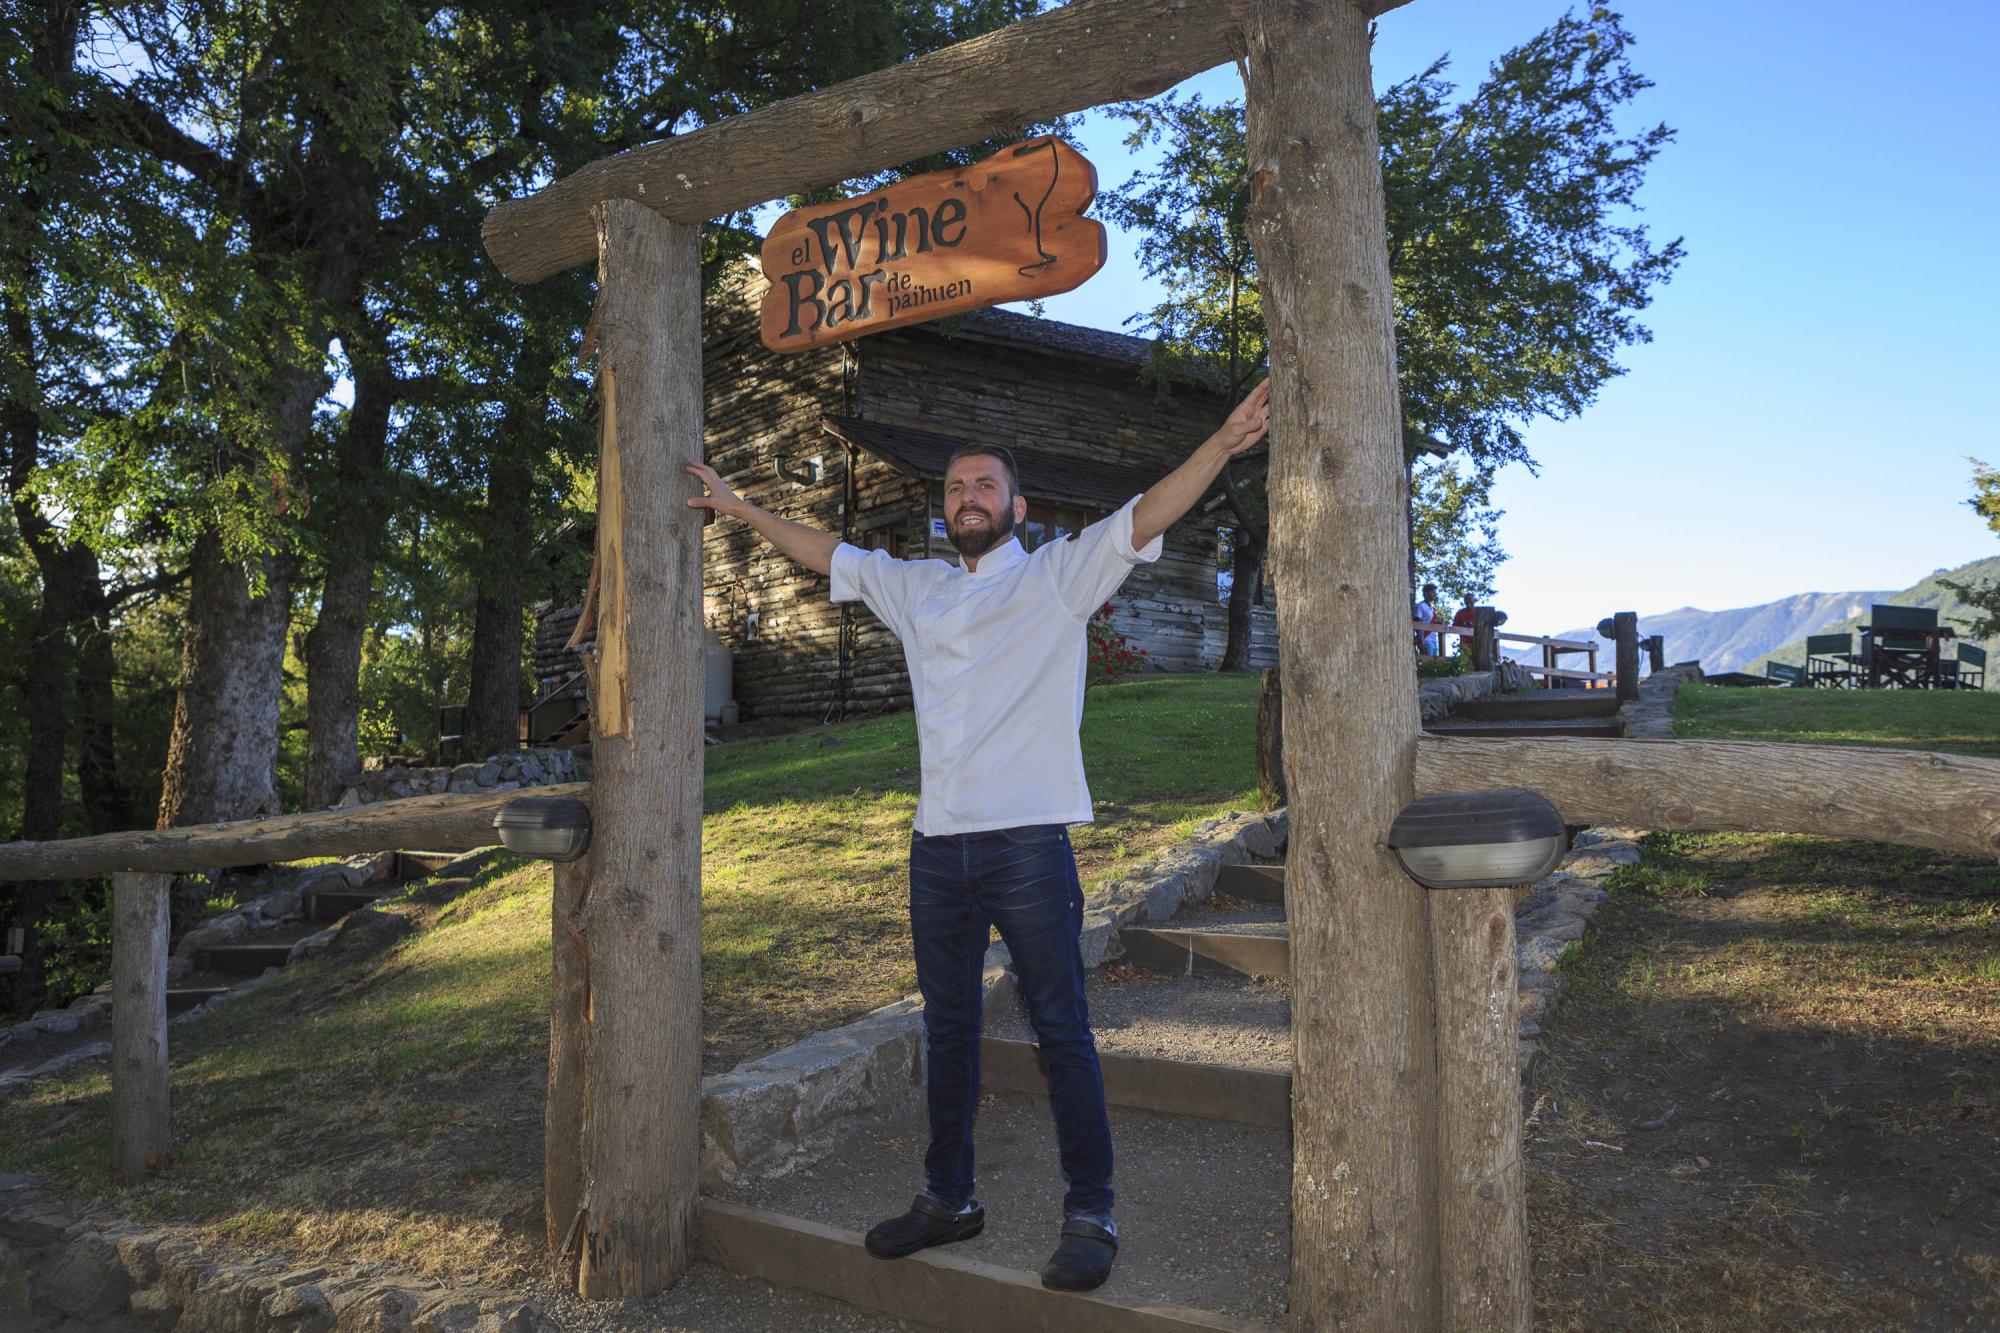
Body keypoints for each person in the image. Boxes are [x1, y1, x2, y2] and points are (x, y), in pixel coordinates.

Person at [686, 379, 1272, 1293]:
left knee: (1062, 1030)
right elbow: (827, 551)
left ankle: (1091, 1211)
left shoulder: (1057, 577)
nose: (968, 496)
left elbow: (1143, 514)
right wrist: (736, 506)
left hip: (1028, 848)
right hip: (937, 851)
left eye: (985, 485)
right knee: (949, 1028)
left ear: (1016, 507)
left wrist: (1225, 443)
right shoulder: (916, 588)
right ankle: (949, 1197)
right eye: (957, 485)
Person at [1415, 583, 1441, 656]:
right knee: (1427, 661)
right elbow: (1417, 622)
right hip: (1426, 640)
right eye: (1433, 592)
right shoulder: (1421, 606)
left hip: (1434, 640)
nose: (1435, 594)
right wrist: (1421, 642)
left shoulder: (1433, 608)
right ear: (1426, 593)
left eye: (1435, 592)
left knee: (1435, 662)